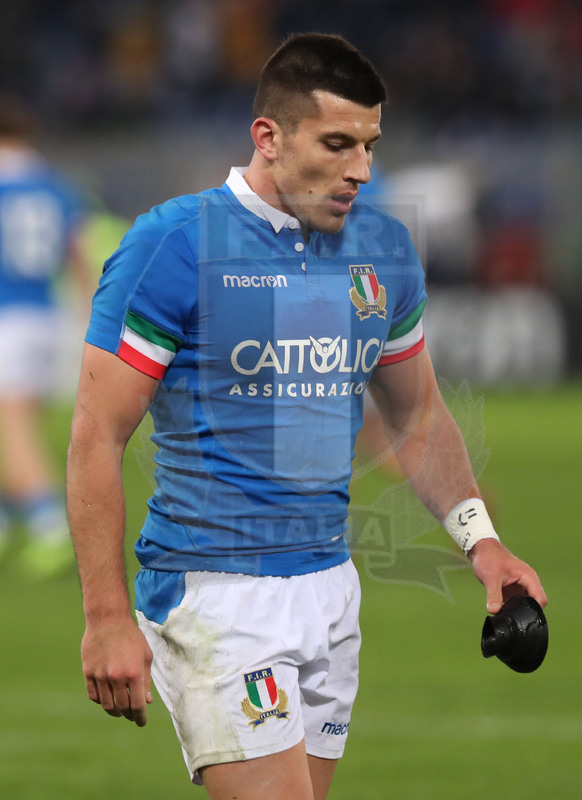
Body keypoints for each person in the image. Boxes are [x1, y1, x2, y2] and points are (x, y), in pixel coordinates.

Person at [66, 33, 547, 800]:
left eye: (369, 144)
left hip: (328, 586)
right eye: (336, 143)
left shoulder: (382, 249)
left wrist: (483, 544)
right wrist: (105, 616)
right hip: (216, 591)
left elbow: (416, 414)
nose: (360, 168)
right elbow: (97, 433)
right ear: (269, 136)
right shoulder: (174, 245)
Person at [0, 95, 91, 578]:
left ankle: (49, 526)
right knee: (17, 422)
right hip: (44, 315)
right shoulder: (55, 185)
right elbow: (77, 254)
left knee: (13, 429)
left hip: (5, 316)